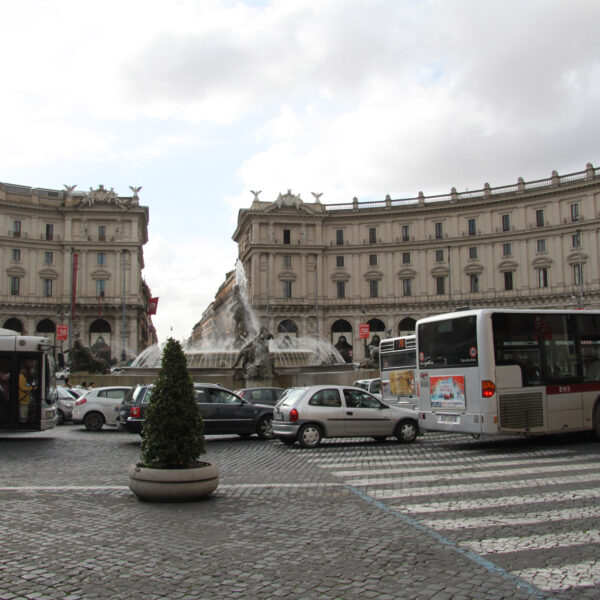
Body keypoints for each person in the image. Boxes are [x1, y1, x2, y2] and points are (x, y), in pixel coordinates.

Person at [18, 359, 36, 424]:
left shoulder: (23, 377)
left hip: (24, 399)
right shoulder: (20, 377)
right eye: (25, 369)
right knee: (23, 414)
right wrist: (32, 388)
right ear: (21, 370)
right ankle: (23, 423)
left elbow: (26, 385)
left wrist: (30, 386)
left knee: (24, 412)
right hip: (23, 399)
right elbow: (23, 388)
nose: (26, 371)